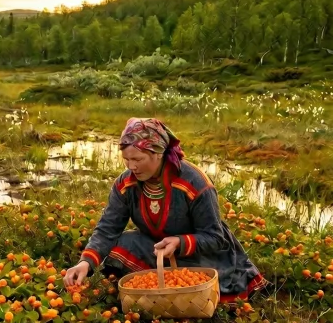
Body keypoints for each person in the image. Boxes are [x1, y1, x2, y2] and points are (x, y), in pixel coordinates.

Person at [63, 118, 267, 303]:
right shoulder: (125, 184)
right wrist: (85, 263)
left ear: (158, 154)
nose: (131, 166)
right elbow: (108, 229)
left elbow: (215, 237)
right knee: (116, 246)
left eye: (138, 159)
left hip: (201, 255)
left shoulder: (194, 183)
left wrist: (179, 242)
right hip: (156, 249)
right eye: (126, 159)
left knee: (197, 286)